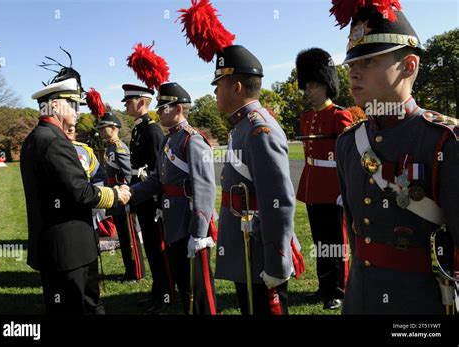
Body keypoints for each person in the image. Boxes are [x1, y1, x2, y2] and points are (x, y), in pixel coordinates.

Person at [331, 1, 459, 314]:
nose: (354, 72)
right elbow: (354, 229)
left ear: (409, 66)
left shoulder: (443, 140)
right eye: (351, 65)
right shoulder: (349, 143)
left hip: (421, 302)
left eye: (370, 61)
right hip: (360, 295)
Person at [21, 58, 131, 315]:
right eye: (73, 105)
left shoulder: (37, 138)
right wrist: (116, 195)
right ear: (55, 105)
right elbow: (81, 191)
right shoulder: (54, 141)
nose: (78, 112)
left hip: (59, 248)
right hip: (68, 251)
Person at [213, 45, 303, 315]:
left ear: (237, 87)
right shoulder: (243, 126)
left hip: (259, 251)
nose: (215, 90)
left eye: (219, 83)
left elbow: (279, 201)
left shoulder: (258, 129)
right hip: (246, 245)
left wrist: (276, 263)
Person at [130, 82, 217, 315]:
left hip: (189, 224)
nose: (157, 111)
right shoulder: (169, 141)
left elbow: (205, 188)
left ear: (177, 109)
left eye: (163, 107)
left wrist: (199, 233)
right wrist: (131, 192)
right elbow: (157, 180)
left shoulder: (193, 140)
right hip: (172, 222)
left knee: (200, 290)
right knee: (184, 285)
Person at [295, 48, 353, 309]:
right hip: (312, 186)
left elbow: (348, 157)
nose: (305, 91)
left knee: (335, 243)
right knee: (320, 242)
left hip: (332, 188)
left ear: (323, 85)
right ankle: (324, 286)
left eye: (309, 85)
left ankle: (339, 290)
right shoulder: (306, 118)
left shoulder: (339, 115)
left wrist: (344, 187)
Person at [122, 84, 175, 312]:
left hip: (152, 202)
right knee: (152, 250)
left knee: (158, 249)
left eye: (129, 100)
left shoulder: (152, 130)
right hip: (141, 198)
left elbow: (158, 171)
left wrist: (157, 203)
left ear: (142, 102)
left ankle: (166, 295)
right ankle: (157, 291)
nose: (125, 104)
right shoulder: (139, 129)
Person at [98, 112, 145, 281]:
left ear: (114, 128)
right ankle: (129, 271)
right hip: (114, 197)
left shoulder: (119, 148)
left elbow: (129, 175)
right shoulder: (110, 147)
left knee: (129, 237)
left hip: (123, 198)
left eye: (104, 127)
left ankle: (137, 273)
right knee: (123, 238)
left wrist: (129, 195)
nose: (101, 130)